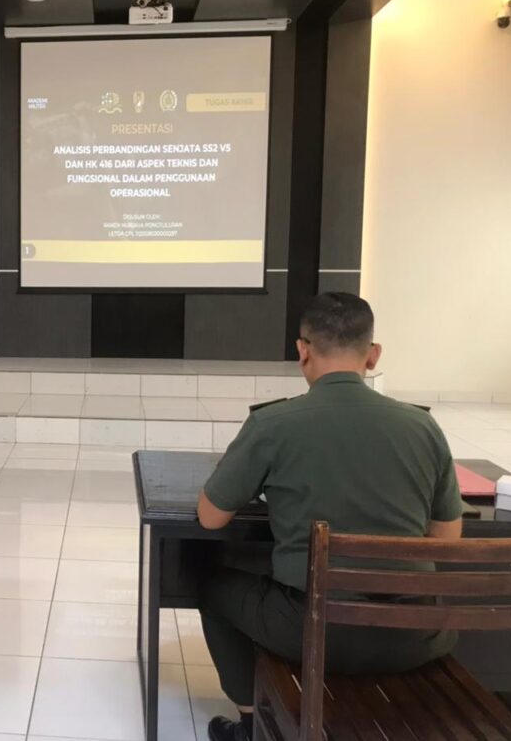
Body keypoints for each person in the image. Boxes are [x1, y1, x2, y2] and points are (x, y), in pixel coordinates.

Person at [195, 292, 463, 741]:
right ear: (373, 354)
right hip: (413, 635)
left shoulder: (273, 423)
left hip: (312, 633)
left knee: (213, 588)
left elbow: (210, 518)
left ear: (302, 350)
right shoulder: (423, 427)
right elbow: (447, 539)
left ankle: (250, 722)